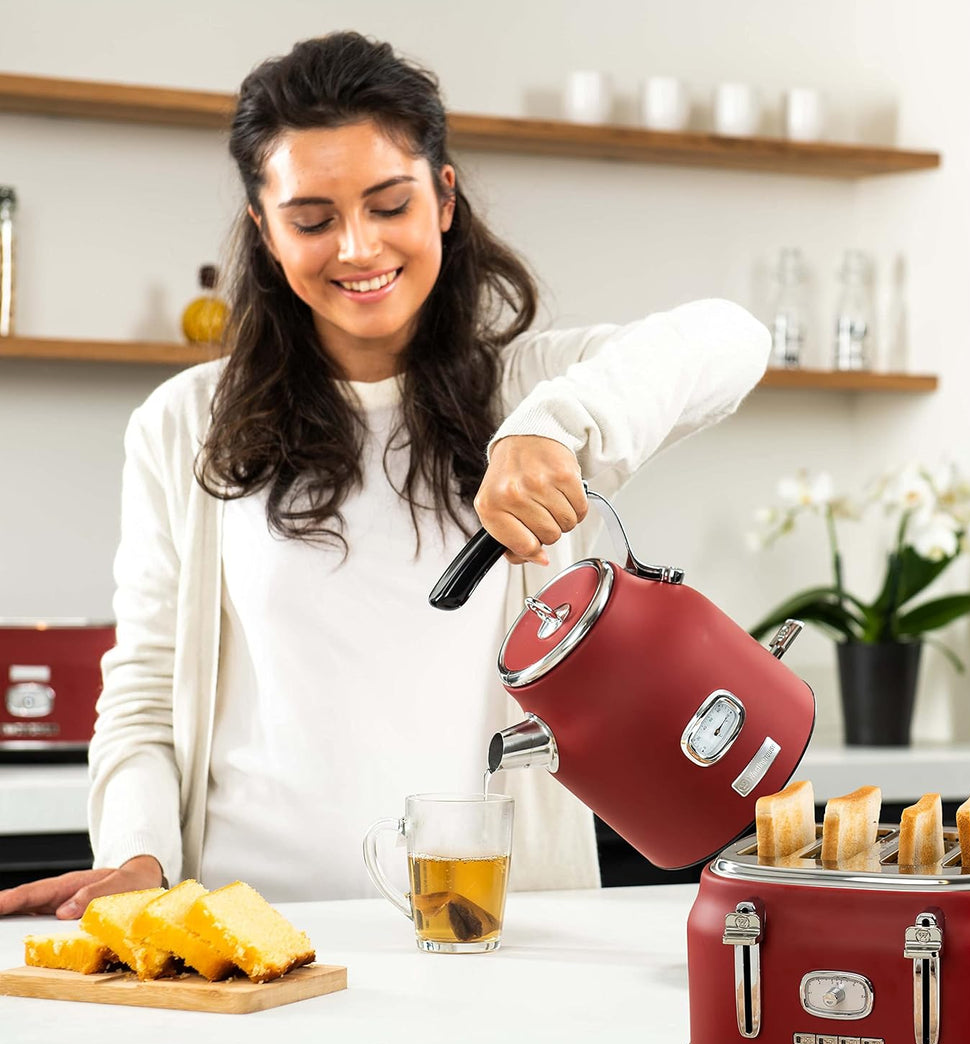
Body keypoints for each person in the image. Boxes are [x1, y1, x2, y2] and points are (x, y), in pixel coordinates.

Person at [0, 31, 769, 919]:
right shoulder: (185, 424)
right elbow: (143, 692)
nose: (358, 248)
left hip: (493, 929)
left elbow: (731, 339)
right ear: (264, 230)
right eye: (312, 220)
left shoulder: (533, 389)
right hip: (252, 932)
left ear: (444, 197)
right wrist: (137, 855)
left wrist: (548, 430)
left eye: (389, 204)